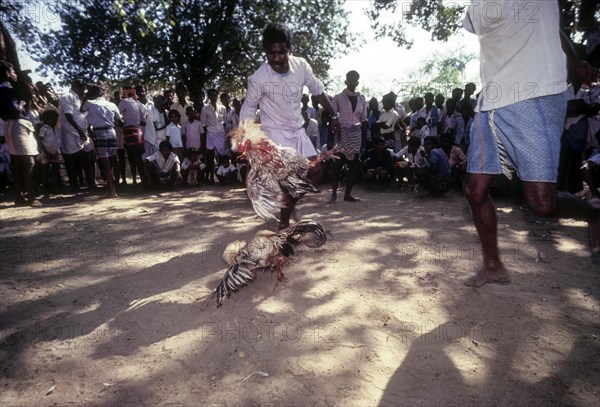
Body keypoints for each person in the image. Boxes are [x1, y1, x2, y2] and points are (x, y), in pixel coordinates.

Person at [462, 0, 600, 287]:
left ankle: (593, 211)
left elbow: (548, 21)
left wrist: (573, 61)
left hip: (536, 93)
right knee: (475, 189)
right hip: (491, 100)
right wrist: (574, 59)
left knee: (541, 202)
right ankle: (493, 266)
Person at [239, 22, 340, 230]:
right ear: (266, 51)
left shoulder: (301, 66)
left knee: (314, 173)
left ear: (289, 49)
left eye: (281, 52)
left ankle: (288, 204)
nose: (276, 58)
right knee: (286, 180)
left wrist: (334, 114)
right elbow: (248, 107)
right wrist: (244, 135)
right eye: (271, 53)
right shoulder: (258, 78)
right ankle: (284, 221)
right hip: (274, 135)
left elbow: (317, 91)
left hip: (297, 132)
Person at [1, 61, 41, 206]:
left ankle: (19, 197)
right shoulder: (7, 89)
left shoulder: (5, 88)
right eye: (13, 71)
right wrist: (23, 100)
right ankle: (30, 196)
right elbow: (17, 110)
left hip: (12, 125)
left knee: (17, 163)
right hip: (18, 125)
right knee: (28, 162)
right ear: (7, 73)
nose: (15, 74)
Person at [328, 70, 367, 204]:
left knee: (354, 166)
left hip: (356, 134)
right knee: (337, 165)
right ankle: (333, 194)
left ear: (357, 82)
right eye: (350, 79)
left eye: (355, 79)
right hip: (341, 134)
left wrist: (364, 142)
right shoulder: (338, 98)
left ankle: (348, 194)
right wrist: (330, 138)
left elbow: (364, 121)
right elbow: (332, 117)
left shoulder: (362, 99)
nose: (352, 82)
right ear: (346, 81)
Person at [81, 83, 122, 198]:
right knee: (114, 159)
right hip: (111, 131)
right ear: (103, 93)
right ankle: (116, 185)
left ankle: (112, 189)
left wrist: (86, 97)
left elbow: (81, 109)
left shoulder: (90, 104)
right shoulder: (112, 104)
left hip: (100, 132)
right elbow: (120, 121)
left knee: (105, 162)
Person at [59, 79, 93, 193]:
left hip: (82, 132)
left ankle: (90, 183)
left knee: (86, 159)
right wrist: (79, 130)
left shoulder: (80, 99)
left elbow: (82, 114)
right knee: (71, 160)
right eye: (82, 88)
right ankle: (74, 185)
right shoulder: (66, 96)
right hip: (70, 133)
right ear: (75, 87)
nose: (84, 91)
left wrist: (84, 130)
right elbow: (68, 116)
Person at [118, 85, 146, 185]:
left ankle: (135, 179)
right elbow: (143, 119)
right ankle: (143, 179)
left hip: (129, 130)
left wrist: (121, 121)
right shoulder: (140, 104)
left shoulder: (124, 102)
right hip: (139, 131)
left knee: (131, 155)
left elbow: (117, 115)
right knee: (138, 156)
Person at [200, 88, 227, 185]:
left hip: (220, 133)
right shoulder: (205, 109)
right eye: (211, 95)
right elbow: (203, 124)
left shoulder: (222, 108)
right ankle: (210, 177)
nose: (213, 97)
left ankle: (221, 176)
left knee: (222, 156)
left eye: (215, 95)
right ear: (209, 97)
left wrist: (224, 134)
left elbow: (225, 122)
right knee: (210, 156)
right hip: (210, 133)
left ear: (217, 96)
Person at [38, 107, 62, 193]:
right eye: (53, 119)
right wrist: (46, 152)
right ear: (47, 119)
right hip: (46, 153)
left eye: (56, 119)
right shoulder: (44, 128)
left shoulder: (56, 129)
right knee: (45, 170)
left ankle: (55, 187)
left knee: (55, 170)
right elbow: (40, 141)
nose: (55, 120)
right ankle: (43, 188)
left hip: (55, 152)